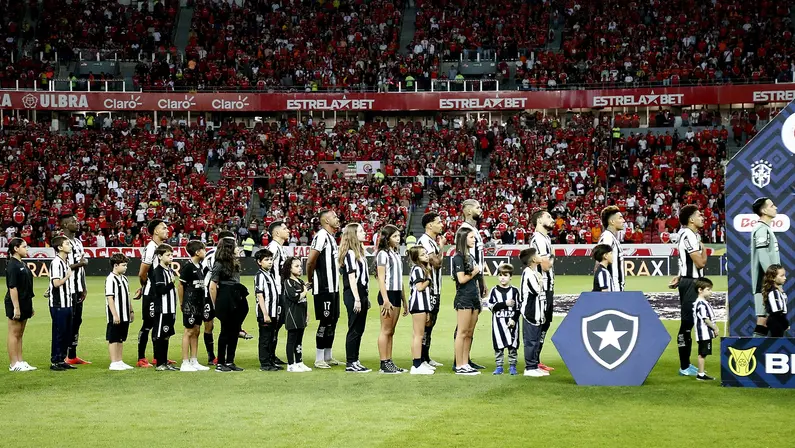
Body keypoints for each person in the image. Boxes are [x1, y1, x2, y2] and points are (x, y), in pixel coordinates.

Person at [671, 204, 707, 376]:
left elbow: (683, 260)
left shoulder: (689, 234)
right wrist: (705, 251)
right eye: (699, 215)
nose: (702, 217)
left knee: (689, 323)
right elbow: (700, 263)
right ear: (691, 219)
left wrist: (679, 275)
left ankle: (686, 364)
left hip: (689, 281)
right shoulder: (689, 235)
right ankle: (684, 366)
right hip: (691, 283)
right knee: (687, 324)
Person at [306, 210, 342, 369]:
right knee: (325, 321)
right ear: (326, 220)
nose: (337, 218)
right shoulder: (321, 236)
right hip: (324, 287)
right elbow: (310, 261)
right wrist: (310, 279)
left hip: (334, 287)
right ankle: (319, 358)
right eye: (334, 216)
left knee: (333, 320)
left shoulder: (331, 238)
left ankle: (328, 355)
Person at [209, 237, 249, 372]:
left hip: (236, 296)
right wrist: (216, 305)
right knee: (225, 332)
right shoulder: (219, 263)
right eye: (236, 246)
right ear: (229, 248)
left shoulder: (234, 263)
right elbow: (212, 286)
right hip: (226, 298)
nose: (238, 249)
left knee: (234, 331)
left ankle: (230, 361)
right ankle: (220, 362)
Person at [455, 199, 486, 371]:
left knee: (469, 327)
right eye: (477, 207)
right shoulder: (464, 231)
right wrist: (475, 277)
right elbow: (468, 262)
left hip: (475, 281)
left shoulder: (474, 230)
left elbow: (478, 261)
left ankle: (465, 359)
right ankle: (459, 361)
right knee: (463, 326)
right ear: (467, 211)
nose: (481, 210)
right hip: (468, 283)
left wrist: (482, 282)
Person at [339, 223, 372, 373]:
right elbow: (352, 278)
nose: (364, 233)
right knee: (354, 328)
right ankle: (350, 362)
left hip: (361, 292)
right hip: (354, 293)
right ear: (353, 234)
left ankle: (355, 360)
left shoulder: (358, 252)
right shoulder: (351, 254)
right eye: (360, 231)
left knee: (359, 329)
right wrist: (357, 298)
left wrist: (365, 296)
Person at [137, 219, 169, 368]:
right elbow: (142, 272)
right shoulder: (151, 248)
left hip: (159, 294)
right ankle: (141, 358)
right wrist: (145, 287)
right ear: (155, 231)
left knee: (159, 323)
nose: (167, 230)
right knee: (148, 324)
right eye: (164, 228)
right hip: (151, 293)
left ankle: (158, 357)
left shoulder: (161, 248)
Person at [376, 224, 408, 374]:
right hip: (387, 294)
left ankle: (389, 361)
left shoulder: (395, 253)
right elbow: (381, 279)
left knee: (391, 331)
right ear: (387, 238)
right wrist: (385, 299)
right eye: (394, 236)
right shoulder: (383, 254)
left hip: (395, 293)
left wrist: (404, 300)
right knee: (385, 330)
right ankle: (384, 362)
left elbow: (399, 279)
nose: (398, 238)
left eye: (398, 236)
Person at [201, 231, 236, 366]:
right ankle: (211, 356)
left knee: (224, 324)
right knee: (209, 323)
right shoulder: (212, 255)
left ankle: (224, 356)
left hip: (224, 293)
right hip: (209, 292)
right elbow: (205, 274)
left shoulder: (230, 255)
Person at [61, 214, 90, 365]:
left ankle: (72, 355)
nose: (77, 223)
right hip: (67, 288)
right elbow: (61, 267)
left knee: (77, 321)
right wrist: (80, 264)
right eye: (73, 221)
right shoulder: (61, 242)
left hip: (77, 288)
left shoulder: (78, 242)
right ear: (65, 225)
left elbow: (81, 267)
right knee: (67, 321)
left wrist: (84, 287)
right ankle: (62, 354)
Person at [452, 226, 482, 375]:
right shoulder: (458, 257)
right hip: (464, 297)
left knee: (469, 332)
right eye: (471, 237)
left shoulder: (470, 256)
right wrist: (474, 272)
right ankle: (459, 365)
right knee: (462, 332)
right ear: (463, 239)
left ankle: (465, 363)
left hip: (473, 297)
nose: (474, 239)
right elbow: (461, 279)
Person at [417, 212, 445, 367]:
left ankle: (426, 357)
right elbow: (436, 263)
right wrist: (441, 248)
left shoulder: (431, 242)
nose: (442, 224)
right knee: (426, 323)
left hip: (436, 289)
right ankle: (421, 358)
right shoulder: (425, 242)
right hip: (428, 290)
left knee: (431, 323)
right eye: (438, 222)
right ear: (429, 225)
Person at [177, 241, 210, 372]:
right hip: (190, 303)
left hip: (199, 303)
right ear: (197, 252)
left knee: (196, 331)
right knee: (189, 331)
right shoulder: (188, 267)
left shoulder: (200, 266)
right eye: (203, 249)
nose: (205, 252)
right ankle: (185, 362)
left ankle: (194, 360)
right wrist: (182, 302)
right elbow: (180, 285)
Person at [530, 209, 556, 372]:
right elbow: (546, 265)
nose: (552, 220)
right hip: (541, 288)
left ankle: (536, 360)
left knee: (545, 324)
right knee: (539, 324)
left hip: (548, 286)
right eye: (549, 217)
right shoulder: (538, 239)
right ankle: (533, 361)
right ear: (539, 220)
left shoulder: (545, 238)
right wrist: (552, 256)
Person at [5, 238, 36, 371]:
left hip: (25, 301)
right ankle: (13, 363)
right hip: (15, 303)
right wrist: (16, 307)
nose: (26, 249)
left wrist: (30, 305)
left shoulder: (22, 263)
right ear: (16, 249)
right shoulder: (12, 265)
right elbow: (13, 287)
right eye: (24, 246)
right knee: (14, 333)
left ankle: (20, 361)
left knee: (20, 333)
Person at [751, 197, 780, 337]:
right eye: (772, 205)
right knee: (762, 320)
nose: (776, 208)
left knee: (769, 319)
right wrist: (773, 279)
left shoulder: (766, 229)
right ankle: (753, 354)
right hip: (764, 282)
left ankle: (763, 353)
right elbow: (763, 257)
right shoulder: (761, 229)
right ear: (763, 210)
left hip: (768, 281)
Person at [520, 248, 551, 377]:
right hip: (531, 312)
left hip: (538, 312)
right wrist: (540, 280)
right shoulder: (528, 273)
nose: (540, 256)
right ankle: (529, 367)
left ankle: (534, 365)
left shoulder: (534, 272)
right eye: (537, 255)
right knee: (531, 341)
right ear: (533, 259)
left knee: (536, 340)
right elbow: (536, 290)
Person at [149, 244, 179, 371]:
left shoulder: (169, 270)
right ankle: (160, 363)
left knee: (166, 335)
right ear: (160, 256)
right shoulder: (158, 272)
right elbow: (160, 290)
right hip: (162, 309)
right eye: (168, 255)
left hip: (170, 309)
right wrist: (171, 284)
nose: (171, 257)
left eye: (172, 255)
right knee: (161, 335)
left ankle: (164, 362)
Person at [48, 236, 76, 371]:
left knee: (66, 333)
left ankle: (62, 359)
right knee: (59, 333)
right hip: (59, 304)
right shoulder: (56, 263)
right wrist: (67, 276)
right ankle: (55, 361)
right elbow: (56, 283)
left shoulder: (65, 262)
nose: (69, 245)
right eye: (67, 243)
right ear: (59, 247)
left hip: (67, 302)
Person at [487, 264, 520, 376]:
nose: (502, 278)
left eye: (505, 275)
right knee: (498, 346)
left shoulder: (515, 291)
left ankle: (512, 366)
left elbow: (519, 308)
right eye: (500, 275)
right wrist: (505, 303)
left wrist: (514, 320)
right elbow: (491, 306)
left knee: (513, 346)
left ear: (510, 277)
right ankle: (499, 366)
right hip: (498, 324)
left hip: (512, 324)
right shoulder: (494, 291)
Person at [407, 245, 435, 375]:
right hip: (418, 305)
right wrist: (428, 280)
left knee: (419, 335)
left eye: (426, 254)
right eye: (423, 254)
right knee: (418, 335)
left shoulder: (422, 268)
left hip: (422, 305)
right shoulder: (418, 269)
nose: (426, 256)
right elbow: (419, 287)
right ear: (416, 257)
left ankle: (420, 362)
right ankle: (416, 365)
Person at [282, 257, 312, 372]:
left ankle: (299, 362)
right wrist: (305, 290)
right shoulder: (288, 282)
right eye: (296, 266)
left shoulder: (300, 282)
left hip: (301, 314)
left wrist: (307, 313)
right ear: (289, 268)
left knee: (299, 340)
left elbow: (304, 300)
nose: (300, 268)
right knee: (292, 340)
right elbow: (295, 297)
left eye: (300, 266)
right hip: (292, 315)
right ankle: (290, 364)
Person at [266, 221, 290, 367]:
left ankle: (271, 355)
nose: (288, 230)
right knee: (274, 325)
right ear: (276, 233)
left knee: (278, 324)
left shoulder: (280, 248)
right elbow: (266, 268)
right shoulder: (273, 248)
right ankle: (268, 356)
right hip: (276, 292)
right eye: (285, 228)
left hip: (281, 291)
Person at [105, 253, 134, 371]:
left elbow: (127, 296)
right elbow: (110, 298)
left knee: (121, 338)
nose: (126, 267)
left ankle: (119, 360)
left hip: (125, 314)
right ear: (116, 265)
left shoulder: (124, 278)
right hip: (116, 315)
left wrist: (131, 310)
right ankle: (114, 362)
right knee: (114, 338)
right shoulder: (110, 279)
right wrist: (115, 315)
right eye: (124, 265)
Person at [254, 249, 281, 371]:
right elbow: (260, 295)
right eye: (266, 260)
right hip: (266, 313)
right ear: (259, 262)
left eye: (271, 259)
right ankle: (264, 364)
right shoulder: (260, 276)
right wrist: (265, 314)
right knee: (265, 338)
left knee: (272, 338)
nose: (270, 262)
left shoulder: (270, 275)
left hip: (273, 312)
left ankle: (270, 361)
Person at [693, 278, 718, 381]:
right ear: (700, 290)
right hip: (703, 334)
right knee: (702, 354)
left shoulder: (702, 302)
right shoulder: (701, 304)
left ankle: (701, 373)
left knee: (703, 353)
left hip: (705, 333)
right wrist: (715, 328)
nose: (710, 292)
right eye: (708, 289)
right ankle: (701, 374)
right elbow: (705, 319)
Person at [597, 206, 625, 292]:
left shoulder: (612, 237)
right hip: (611, 291)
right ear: (612, 221)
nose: (623, 220)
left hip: (616, 290)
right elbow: (599, 262)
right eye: (620, 218)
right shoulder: (607, 237)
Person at [762, 264, 790, 337]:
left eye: (785, 275)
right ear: (773, 278)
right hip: (776, 322)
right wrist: (785, 323)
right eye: (782, 276)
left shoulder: (778, 291)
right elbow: (777, 311)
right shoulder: (773, 292)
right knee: (775, 343)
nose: (785, 278)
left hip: (779, 321)